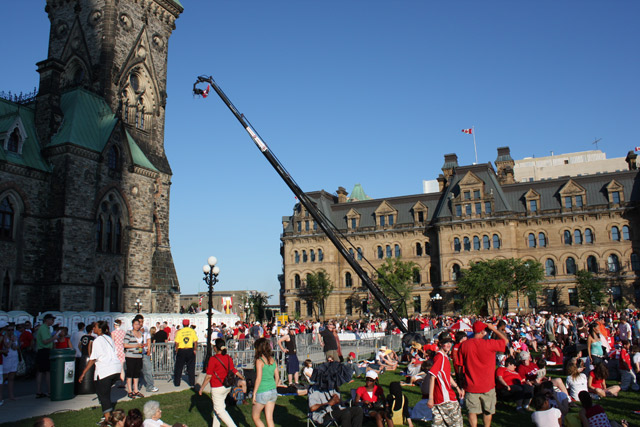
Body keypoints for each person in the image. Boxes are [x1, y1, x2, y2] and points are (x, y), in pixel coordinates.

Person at [458, 320, 508, 427]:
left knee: (472, 411)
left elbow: (460, 366)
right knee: (488, 410)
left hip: (471, 384)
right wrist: (494, 329)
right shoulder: (489, 344)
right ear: (482, 332)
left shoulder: (464, 345)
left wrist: (461, 383)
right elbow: (505, 341)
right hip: (487, 384)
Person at [78, 321, 123, 425]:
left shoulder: (97, 340)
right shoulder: (109, 339)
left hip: (105, 370)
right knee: (105, 393)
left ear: (99, 329)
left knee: (103, 395)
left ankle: (107, 420)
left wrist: (83, 373)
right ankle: (108, 414)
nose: (93, 329)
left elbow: (93, 358)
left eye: (95, 327)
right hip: (115, 368)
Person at [199, 338, 244, 427]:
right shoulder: (228, 357)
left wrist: (202, 388)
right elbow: (233, 370)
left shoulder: (213, 359)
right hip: (227, 386)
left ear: (216, 348)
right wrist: (242, 377)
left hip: (217, 387)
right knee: (218, 409)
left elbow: (208, 376)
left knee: (219, 410)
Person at [427, 332, 463, 427]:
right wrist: (430, 398)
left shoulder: (444, 357)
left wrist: (457, 387)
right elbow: (432, 376)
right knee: (457, 423)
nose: (448, 345)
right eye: (445, 342)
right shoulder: (440, 358)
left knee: (438, 424)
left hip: (439, 398)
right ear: (440, 344)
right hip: (446, 398)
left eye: (450, 342)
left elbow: (447, 375)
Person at [252, 337, 280, 427]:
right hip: (272, 390)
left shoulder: (259, 361)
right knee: (270, 418)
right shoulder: (273, 360)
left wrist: (254, 393)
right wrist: (274, 387)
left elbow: (259, 378)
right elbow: (277, 377)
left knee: (255, 416)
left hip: (262, 390)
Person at [35, 314, 61, 398]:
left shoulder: (46, 328)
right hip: (44, 350)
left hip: (44, 350)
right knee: (46, 371)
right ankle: (49, 391)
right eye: (52, 320)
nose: (53, 322)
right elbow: (45, 341)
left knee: (41, 371)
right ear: (47, 320)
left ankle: (40, 391)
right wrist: (54, 338)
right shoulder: (43, 328)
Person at [134, 314, 159, 393]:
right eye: (140, 322)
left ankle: (150, 386)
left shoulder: (145, 329)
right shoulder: (132, 329)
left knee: (148, 369)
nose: (141, 324)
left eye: (142, 322)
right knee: (136, 370)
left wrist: (149, 349)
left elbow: (148, 339)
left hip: (144, 352)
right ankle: (136, 386)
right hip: (136, 352)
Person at [124, 318, 145, 398]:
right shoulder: (129, 333)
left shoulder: (140, 333)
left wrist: (142, 346)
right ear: (132, 325)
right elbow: (125, 345)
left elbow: (141, 343)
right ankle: (130, 390)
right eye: (136, 324)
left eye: (138, 324)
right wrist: (136, 345)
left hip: (138, 355)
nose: (137, 326)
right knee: (130, 373)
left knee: (137, 373)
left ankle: (136, 390)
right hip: (130, 356)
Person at [173, 319, 197, 387]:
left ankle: (177, 383)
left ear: (183, 324)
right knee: (191, 367)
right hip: (190, 349)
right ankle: (192, 383)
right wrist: (195, 349)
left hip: (182, 349)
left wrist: (177, 350)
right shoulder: (192, 331)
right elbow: (195, 341)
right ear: (188, 324)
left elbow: (176, 342)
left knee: (179, 367)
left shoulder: (180, 332)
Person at [2, 322, 19, 401]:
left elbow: (15, 347)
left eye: (12, 330)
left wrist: (14, 341)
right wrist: (11, 341)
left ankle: (11, 395)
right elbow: (7, 346)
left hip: (14, 358)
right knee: (4, 377)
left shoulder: (15, 337)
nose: (11, 332)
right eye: (9, 330)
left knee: (11, 377)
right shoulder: (4, 338)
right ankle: (1, 396)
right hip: (6, 359)